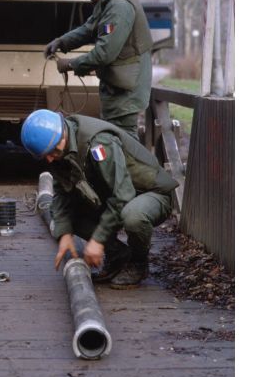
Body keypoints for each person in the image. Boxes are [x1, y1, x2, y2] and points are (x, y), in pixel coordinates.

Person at [21, 109, 178, 289]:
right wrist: (64, 233)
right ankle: (118, 255)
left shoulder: (99, 143)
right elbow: (62, 193)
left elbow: (123, 195)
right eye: (44, 156)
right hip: (118, 196)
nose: (49, 159)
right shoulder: (61, 149)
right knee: (68, 217)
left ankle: (138, 263)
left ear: (62, 136)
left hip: (150, 193)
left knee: (133, 216)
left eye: (51, 152)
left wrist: (97, 240)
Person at [44, 0, 154, 139]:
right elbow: (89, 29)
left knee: (124, 140)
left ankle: (129, 167)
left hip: (127, 89)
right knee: (114, 138)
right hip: (119, 83)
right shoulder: (107, 1)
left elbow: (105, 53)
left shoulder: (119, 6)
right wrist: (62, 42)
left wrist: (71, 65)